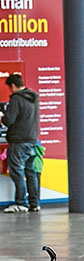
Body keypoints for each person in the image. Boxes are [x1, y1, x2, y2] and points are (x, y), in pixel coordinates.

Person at [0, 74, 40, 213]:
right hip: (31, 140)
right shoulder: (33, 97)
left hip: (18, 141)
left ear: (12, 86)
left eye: (9, 89)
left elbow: (9, 120)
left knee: (17, 173)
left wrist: (2, 116)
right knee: (30, 173)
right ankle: (34, 203)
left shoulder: (17, 99)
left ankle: (21, 203)